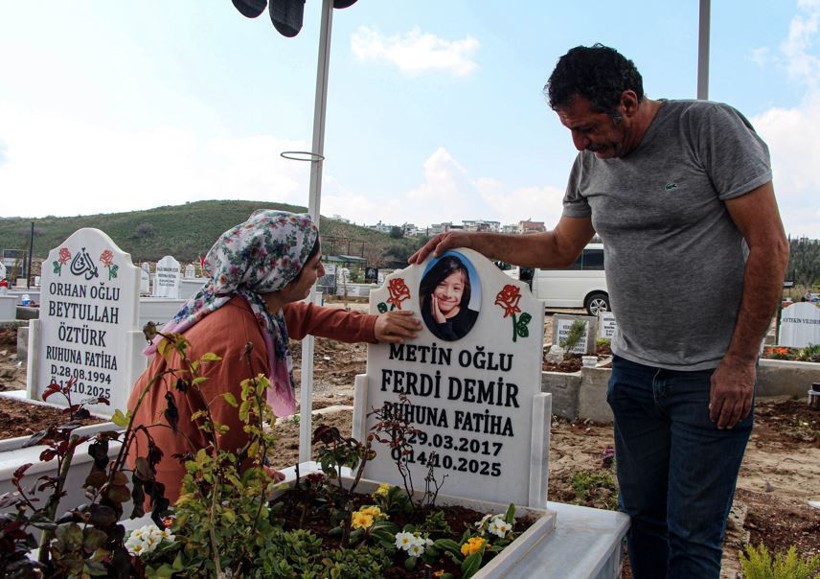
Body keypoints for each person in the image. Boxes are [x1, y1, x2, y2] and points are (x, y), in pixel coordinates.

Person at [409, 44, 789, 578]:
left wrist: (741, 362)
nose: (580, 143)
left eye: (587, 128)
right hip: (634, 374)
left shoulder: (708, 130)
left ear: (628, 102)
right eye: (569, 129)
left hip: (709, 376)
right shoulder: (588, 163)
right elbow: (560, 247)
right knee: (642, 522)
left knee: (692, 537)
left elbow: (771, 246)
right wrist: (469, 239)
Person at [128, 210, 421, 505]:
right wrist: (250, 473)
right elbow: (231, 436)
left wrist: (373, 325)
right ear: (282, 274)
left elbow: (304, 316)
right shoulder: (240, 341)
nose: (321, 273)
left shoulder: (247, 301)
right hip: (177, 467)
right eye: (315, 265)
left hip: (162, 438)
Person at [419, 253, 479, 341]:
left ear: (464, 292)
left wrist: (443, 325)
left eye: (456, 288)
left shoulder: (474, 319)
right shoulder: (420, 316)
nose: (448, 294)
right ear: (432, 285)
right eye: (442, 285)